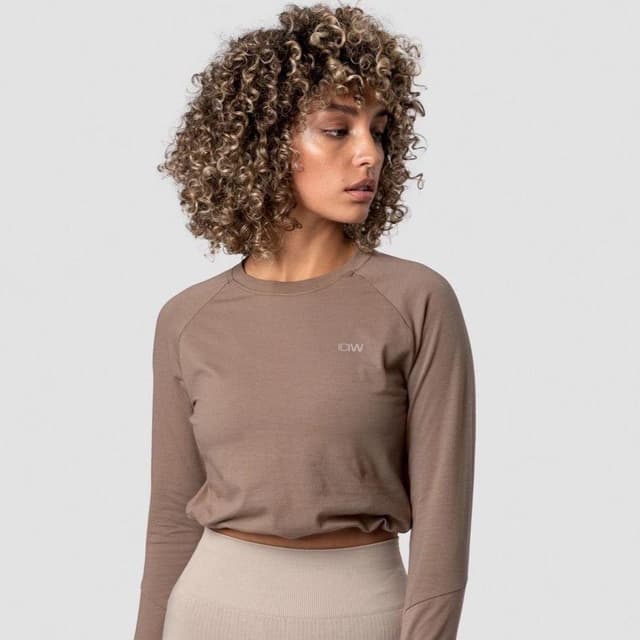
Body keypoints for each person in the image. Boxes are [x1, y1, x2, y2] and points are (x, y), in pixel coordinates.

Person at [133, 4, 476, 639]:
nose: (369, 154)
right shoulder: (187, 319)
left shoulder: (416, 300)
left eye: (379, 130)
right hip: (207, 613)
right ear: (262, 143)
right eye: (337, 130)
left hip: (364, 615)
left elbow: (443, 527)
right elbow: (172, 521)